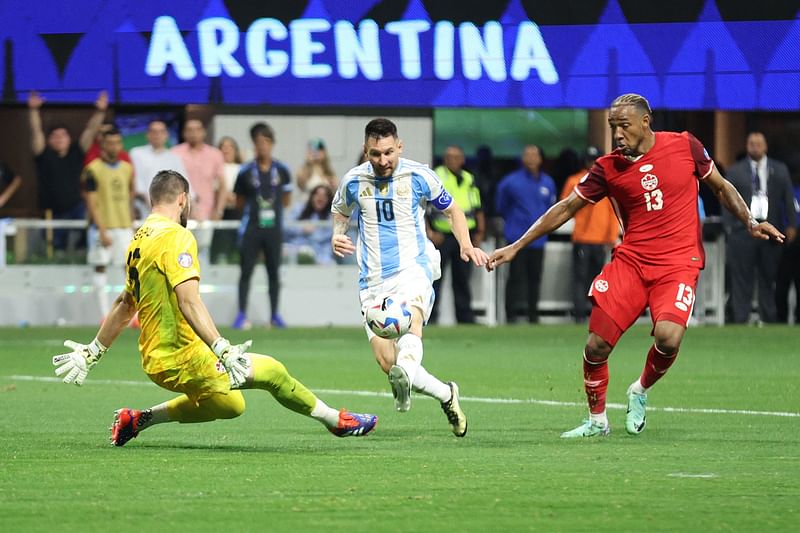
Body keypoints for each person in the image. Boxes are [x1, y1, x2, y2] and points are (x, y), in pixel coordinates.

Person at [487, 94, 785, 438]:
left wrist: (750, 221)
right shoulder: (607, 168)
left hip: (677, 263)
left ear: (646, 122)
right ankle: (597, 421)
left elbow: (720, 186)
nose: (617, 134)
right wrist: (517, 245)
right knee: (596, 345)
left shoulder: (685, 146)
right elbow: (567, 207)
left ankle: (639, 390)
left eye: (624, 126)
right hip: (631, 262)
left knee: (669, 337)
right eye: (613, 127)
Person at [51, 169, 377, 446]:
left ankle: (137, 420)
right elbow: (188, 300)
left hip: (156, 359)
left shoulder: (139, 238)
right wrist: (223, 347)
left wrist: (93, 350)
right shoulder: (176, 237)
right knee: (273, 371)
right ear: (183, 199)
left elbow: (125, 303)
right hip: (182, 355)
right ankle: (337, 421)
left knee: (231, 404)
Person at [331, 118, 489, 437]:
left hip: (413, 267)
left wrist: (466, 245)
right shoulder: (353, 181)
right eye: (375, 154)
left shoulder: (419, 175)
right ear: (366, 151)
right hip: (372, 280)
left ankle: (406, 371)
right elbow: (341, 211)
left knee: (411, 325)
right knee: (389, 364)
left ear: (399, 147)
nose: (383, 160)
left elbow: (453, 210)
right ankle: (446, 394)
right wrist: (337, 234)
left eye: (389, 152)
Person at [723, 132, 796, 324]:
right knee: (741, 281)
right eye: (751, 143)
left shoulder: (779, 170)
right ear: (747, 146)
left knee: (769, 279)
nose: (754, 147)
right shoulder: (735, 171)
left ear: (765, 147)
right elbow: (725, 200)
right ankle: (740, 320)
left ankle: (770, 321)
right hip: (742, 232)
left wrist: (791, 225)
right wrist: (730, 228)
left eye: (758, 143)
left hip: (770, 231)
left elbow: (788, 199)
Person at [28, 90, 107, 258]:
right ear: (49, 140)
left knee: (83, 246)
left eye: (63, 135)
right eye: (54, 136)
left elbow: (90, 131)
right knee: (57, 252)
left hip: (76, 207)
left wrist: (100, 112)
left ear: (69, 139)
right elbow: (36, 132)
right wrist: (33, 111)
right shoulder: (43, 155)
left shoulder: (76, 153)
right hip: (51, 210)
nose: (59, 139)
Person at [232, 123, 292, 330]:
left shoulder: (282, 170)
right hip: (251, 228)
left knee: (273, 271)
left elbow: (286, 200)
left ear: (272, 144)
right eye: (258, 143)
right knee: (246, 271)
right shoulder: (245, 171)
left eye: (266, 142)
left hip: (274, 229)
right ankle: (241, 315)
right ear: (254, 145)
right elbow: (238, 202)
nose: (262, 147)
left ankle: (275, 315)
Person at [495, 144, 556, 323]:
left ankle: (533, 315)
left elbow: (551, 208)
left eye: (534, 155)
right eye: (527, 155)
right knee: (515, 277)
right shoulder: (509, 182)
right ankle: (510, 315)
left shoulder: (548, 182)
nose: (531, 158)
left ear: (540, 158)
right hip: (515, 238)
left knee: (535, 278)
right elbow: (501, 207)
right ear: (522, 158)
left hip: (538, 240)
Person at [559, 146, 619, 323]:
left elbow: (612, 212)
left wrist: (611, 237)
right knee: (581, 277)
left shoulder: (607, 181)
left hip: (599, 239)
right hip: (583, 237)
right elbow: (565, 207)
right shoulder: (575, 180)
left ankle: (595, 313)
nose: (592, 163)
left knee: (597, 279)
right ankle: (579, 314)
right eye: (589, 160)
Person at [81, 127, 135, 319]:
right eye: (110, 142)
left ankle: (131, 316)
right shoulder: (92, 170)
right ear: (102, 144)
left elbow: (130, 197)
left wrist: (132, 225)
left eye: (118, 142)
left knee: (130, 269)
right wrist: (101, 230)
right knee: (100, 266)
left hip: (124, 227)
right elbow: (91, 202)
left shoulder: (127, 168)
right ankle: (104, 315)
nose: (115, 146)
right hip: (102, 228)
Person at [428, 144, 485, 324]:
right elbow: (425, 206)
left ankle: (465, 318)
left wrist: (480, 232)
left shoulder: (469, 178)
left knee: (462, 279)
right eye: (448, 157)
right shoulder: (436, 175)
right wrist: (429, 231)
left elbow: (477, 207)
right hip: (441, 235)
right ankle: (430, 316)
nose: (452, 160)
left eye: (456, 157)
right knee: (435, 278)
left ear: (462, 160)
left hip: (463, 236)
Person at [171, 119, 227, 264]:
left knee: (203, 253)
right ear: (184, 133)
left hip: (205, 214)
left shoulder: (215, 154)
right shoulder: (175, 153)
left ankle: (199, 286)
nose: (193, 133)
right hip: (179, 215)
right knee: (180, 254)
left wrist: (219, 211)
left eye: (197, 129)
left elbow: (222, 185)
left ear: (203, 132)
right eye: (189, 130)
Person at [129, 119, 186, 218]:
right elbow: (136, 181)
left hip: (170, 210)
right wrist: (151, 202)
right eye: (154, 132)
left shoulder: (174, 157)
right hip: (143, 208)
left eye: (161, 132)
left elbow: (183, 182)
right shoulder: (136, 154)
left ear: (167, 135)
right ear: (147, 134)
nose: (157, 135)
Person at [210, 136, 243, 264]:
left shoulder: (241, 168)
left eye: (230, 146)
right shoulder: (216, 168)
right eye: (223, 146)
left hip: (238, 210)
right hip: (220, 211)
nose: (226, 149)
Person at [285, 184, 335, 265]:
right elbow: (285, 226)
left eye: (324, 196)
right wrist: (301, 229)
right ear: (312, 196)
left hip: (319, 256)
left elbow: (327, 244)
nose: (320, 198)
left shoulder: (331, 217)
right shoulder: (300, 209)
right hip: (297, 251)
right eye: (317, 194)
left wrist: (325, 260)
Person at [775, 173, 800, 324]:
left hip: (794, 238)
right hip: (785, 238)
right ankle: (781, 317)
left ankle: (797, 317)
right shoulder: (787, 191)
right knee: (782, 281)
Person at [294, 137, 337, 208]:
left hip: (326, 208)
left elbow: (334, 190)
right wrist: (308, 162)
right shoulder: (303, 170)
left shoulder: (328, 170)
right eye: (313, 150)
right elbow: (300, 184)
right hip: (307, 207)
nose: (316, 153)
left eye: (319, 150)